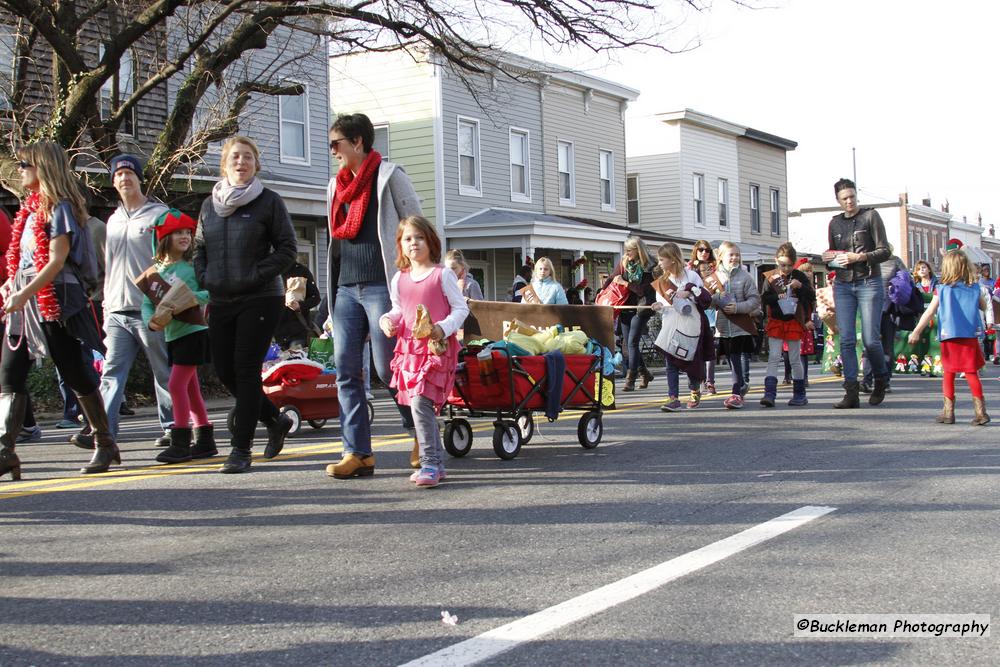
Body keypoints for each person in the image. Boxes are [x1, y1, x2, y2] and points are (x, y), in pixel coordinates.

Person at [1, 141, 117, 480]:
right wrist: (11, 285)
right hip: (27, 299)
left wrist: (23, 292)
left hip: (56, 297)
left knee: (72, 369)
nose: (20, 170)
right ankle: (6, 451)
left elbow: (55, 260)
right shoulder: (28, 209)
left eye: (25, 164)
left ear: (43, 168)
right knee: (10, 372)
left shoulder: (61, 206)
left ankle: (104, 441)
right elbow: (21, 262)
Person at [323, 113, 421, 480]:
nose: (333, 152)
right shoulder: (335, 187)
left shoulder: (390, 176)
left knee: (388, 368)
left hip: (384, 285)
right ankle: (357, 453)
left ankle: (421, 434)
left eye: (337, 144)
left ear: (358, 142)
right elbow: (336, 241)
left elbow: (417, 226)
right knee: (347, 372)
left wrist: (421, 281)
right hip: (346, 288)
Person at [194, 136, 298, 474]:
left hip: (260, 297)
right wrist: (204, 275)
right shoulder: (209, 205)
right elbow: (199, 247)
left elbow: (287, 249)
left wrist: (255, 274)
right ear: (225, 164)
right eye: (235, 157)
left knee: (246, 369)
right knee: (224, 370)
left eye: (248, 157)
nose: (242, 162)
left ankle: (240, 449)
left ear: (256, 164)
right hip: (221, 298)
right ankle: (274, 420)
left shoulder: (269, 202)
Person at [71, 154, 174, 451]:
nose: (124, 178)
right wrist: (104, 306)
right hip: (116, 308)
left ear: (139, 178)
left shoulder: (159, 214)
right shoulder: (112, 221)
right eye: (118, 175)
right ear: (113, 182)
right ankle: (101, 432)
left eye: (129, 173)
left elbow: (171, 261)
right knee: (111, 373)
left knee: (163, 372)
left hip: (149, 307)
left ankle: (172, 428)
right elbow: (107, 265)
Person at [378, 216, 468, 486]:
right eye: (407, 239)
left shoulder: (443, 275)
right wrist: (388, 321)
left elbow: (461, 308)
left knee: (420, 403)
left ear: (430, 241)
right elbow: (398, 310)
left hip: (435, 349)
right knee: (419, 405)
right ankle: (436, 464)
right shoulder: (399, 279)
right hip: (408, 350)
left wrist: (443, 327)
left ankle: (429, 463)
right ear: (401, 246)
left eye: (419, 237)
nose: (413, 243)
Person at [140, 210, 213, 464]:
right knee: (190, 389)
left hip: (194, 331)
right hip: (173, 335)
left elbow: (209, 293)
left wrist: (191, 299)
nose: (184, 237)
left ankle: (180, 441)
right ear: (164, 238)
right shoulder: (154, 272)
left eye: (187, 232)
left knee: (175, 385)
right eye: (177, 232)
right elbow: (147, 302)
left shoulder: (192, 268)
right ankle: (205, 439)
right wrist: (151, 320)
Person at [822, 178, 891, 409]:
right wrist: (828, 258)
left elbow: (884, 250)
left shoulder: (870, 217)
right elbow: (834, 258)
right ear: (838, 201)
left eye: (852, 196)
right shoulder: (834, 223)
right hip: (843, 284)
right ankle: (851, 391)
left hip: (869, 281)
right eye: (844, 198)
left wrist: (859, 257)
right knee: (847, 340)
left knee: (871, 340)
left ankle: (880, 379)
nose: (849, 201)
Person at [907, 249, 989, 425]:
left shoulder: (942, 289)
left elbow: (930, 312)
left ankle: (949, 413)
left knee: (949, 373)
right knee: (971, 372)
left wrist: (916, 331)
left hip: (949, 335)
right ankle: (980, 412)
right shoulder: (973, 287)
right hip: (969, 335)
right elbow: (983, 306)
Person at [652, 243, 712, 411]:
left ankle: (694, 389)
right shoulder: (662, 282)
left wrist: (690, 292)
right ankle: (673, 397)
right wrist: (658, 306)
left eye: (662, 259)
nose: (659, 263)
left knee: (690, 359)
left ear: (672, 260)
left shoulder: (692, 276)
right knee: (670, 362)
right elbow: (663, 305)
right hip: (671, 325)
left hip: (691, 325)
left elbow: (704, 297)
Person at [759, 243, 815, 408]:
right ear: (776, 261)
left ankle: (799, 394)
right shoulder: (771, 277)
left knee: (794, 358)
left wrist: (801, 287)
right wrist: (778, 297)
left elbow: (811, 295)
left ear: (794, 263)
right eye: (783, 265)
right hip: (777, 320)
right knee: (774, 357)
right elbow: (764, 298)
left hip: (794, 320)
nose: (786, 268)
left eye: (790, 265)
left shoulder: (799, 276)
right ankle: (769, 393)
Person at [710, 241, 760, 409]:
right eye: (731, 254)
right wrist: (716, 298)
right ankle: (740, 385)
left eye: (737, 254)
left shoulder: (745, 277)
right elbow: (708, 302)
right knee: (731, 358)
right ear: (721, 257)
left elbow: (754, 299)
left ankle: (736, 393)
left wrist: (738, 307)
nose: (735, 258)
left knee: (736, 357)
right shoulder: (714, 278)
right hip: (723, 326)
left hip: (741, 325)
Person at [604, 236, 655, 391]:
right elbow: (612, 278)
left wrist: (625, 283)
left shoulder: (651, 266)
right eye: (625, 251)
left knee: (632, 342)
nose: (626, 254)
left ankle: (630, 379)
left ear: (638, 250)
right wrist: (602, 293)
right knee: (627, 345)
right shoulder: (625, 263)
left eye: (629, 250)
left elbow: (643, 291)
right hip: (625, 306)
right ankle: (645, 373)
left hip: (642, 307)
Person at [859, 244, 907, 394]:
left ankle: (884, 381)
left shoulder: (895, 261)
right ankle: (867, 380)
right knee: (869, 343)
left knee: (886, 346)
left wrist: (895, 289)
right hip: (870, 306)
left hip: (889, 308)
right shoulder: (868, 261)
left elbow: (906, 281)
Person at [688, 240, 718, 394]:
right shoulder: (690, 270)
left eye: (707, 250)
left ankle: (710, 381)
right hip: (695, 314)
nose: (704, 252)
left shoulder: (715, 269)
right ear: (696, 251)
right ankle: (697, 380)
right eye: (701, 250)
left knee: (710, 349)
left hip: (712, 314)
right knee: (696, 349)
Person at [274, 261, 321, 351]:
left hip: (297, 331)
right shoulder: (270, 270)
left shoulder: (301, 270)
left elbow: (316, 298)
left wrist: (300, 305)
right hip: (275, 333)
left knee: (296, 362)